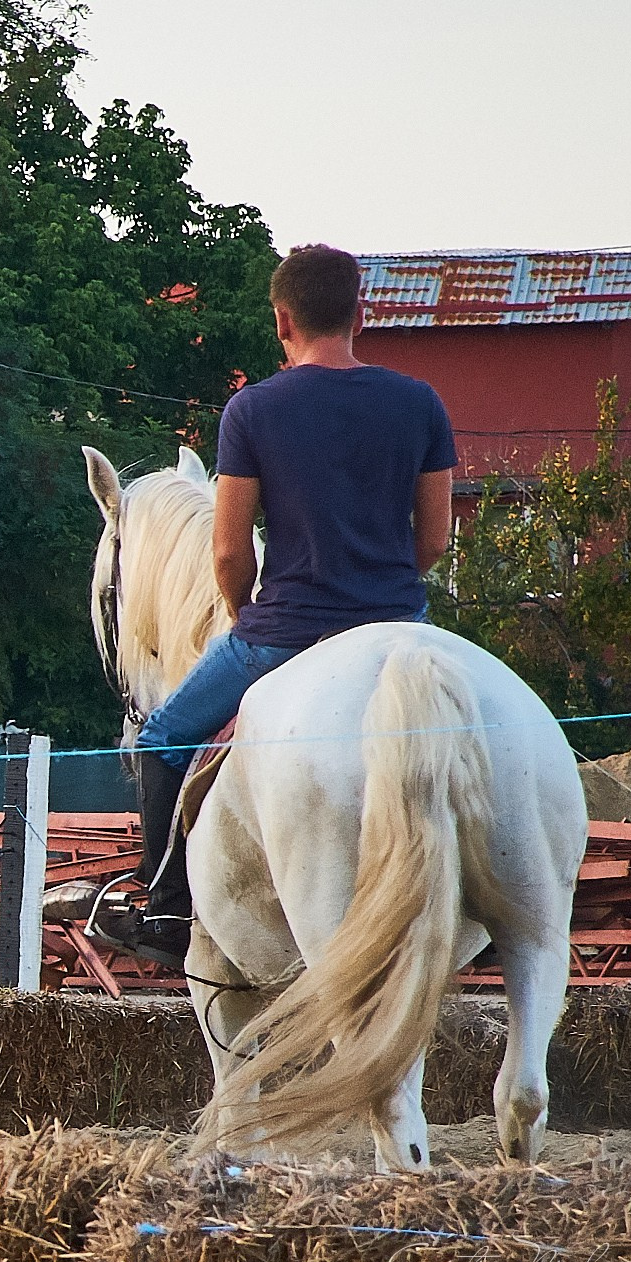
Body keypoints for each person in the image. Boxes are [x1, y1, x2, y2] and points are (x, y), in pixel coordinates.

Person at [98, 244, 458, 969]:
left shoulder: (252, 410)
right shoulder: (420, 403)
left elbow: (230, 554)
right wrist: (383, 589)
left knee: (161, 737)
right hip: (400, 629)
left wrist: (241, 612)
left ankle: (166, 908)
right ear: (361, 315)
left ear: (282, 322)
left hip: (285, 631)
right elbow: (436, 539)